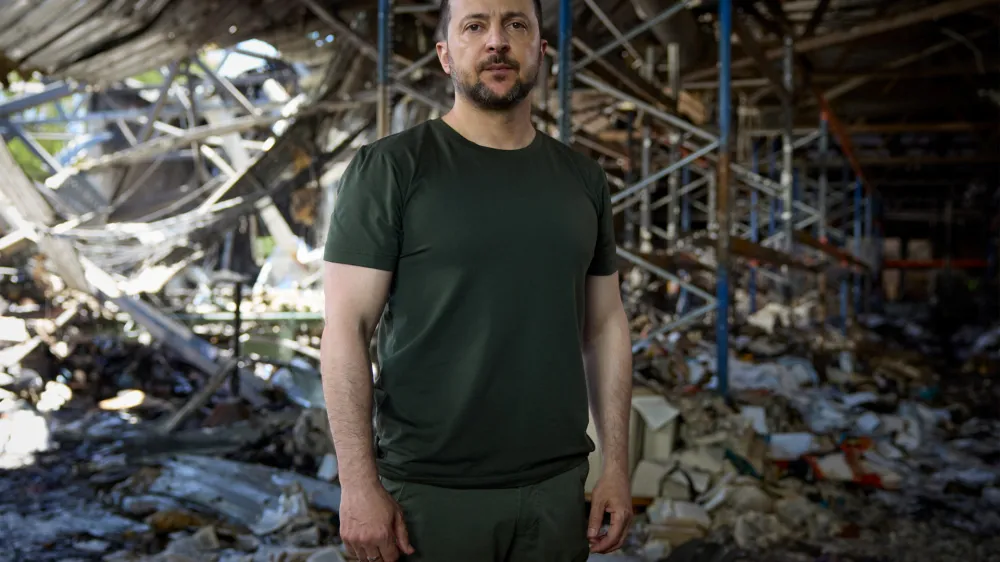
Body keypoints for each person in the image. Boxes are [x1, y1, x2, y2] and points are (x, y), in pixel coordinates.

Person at [320, 0, 634, 560]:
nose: (497, 41)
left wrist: (615, 467)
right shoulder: (391, 169)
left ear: (541, 51)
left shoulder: (583, 180)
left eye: (516, 24)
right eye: (474, 26)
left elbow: (606, 326)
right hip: (428, 496)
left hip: (557, 493)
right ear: (445, 55)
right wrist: (357, 484)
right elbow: (346, 329)